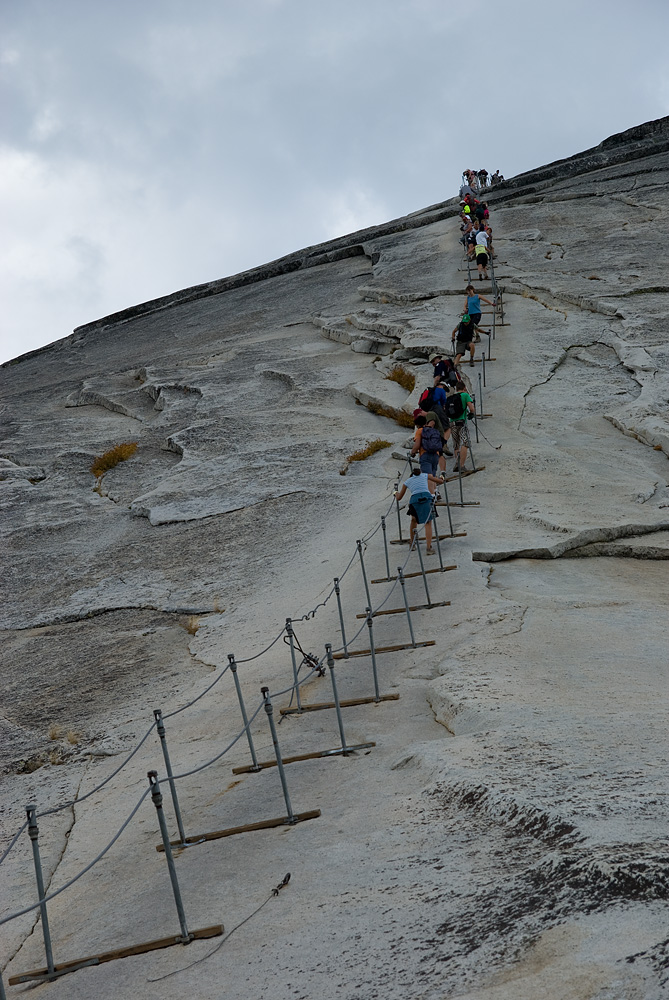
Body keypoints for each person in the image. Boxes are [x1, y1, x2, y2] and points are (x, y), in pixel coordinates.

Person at [394, 468, 443, 554]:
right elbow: (440, 481)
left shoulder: (407, 481)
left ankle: (412, 544)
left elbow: (399, 498)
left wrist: (395, 493)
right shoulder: (425, 475)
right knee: (428, 522)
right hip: (427, 498)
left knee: (414, 520)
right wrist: (442, 477)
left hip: (415, 500)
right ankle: (428, 548)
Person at [445, 379, 476, 473]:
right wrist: (471, 414)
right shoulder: (465, 395)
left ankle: (457, 464)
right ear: (464, 388)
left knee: (456, 445)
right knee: (466, 443)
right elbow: (471, 408)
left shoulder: (452, 397)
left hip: (452, 423)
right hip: (461, 423)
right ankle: (461, 466)